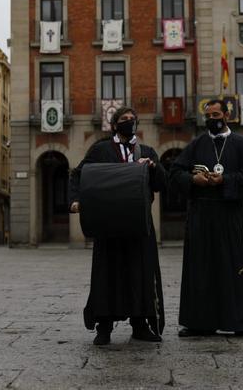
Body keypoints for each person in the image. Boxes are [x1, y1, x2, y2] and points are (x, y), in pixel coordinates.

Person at [69, 107, 167, 346]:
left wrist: (153, 167)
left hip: (139, 223)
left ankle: (140, 324)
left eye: (133, 119)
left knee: (140, 273)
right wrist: (75, 200)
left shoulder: (146, 151)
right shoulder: (101, 149)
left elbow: (161, 184)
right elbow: (79, 174)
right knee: (107, 274)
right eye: (124, 119)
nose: (130, 122)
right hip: (108, 224)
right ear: (114, 125)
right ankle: (103, 327)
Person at [169, 99, 243, 338]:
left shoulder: (241, 144)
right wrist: (193, 180)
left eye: (216, 114)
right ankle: (198, 322)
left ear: (227, 115)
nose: (212, 119)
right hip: (201, 215)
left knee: (235, 267)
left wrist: (226, 180)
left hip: (231, 215)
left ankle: (241, 322)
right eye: (208, 115)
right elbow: (175, 172)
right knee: (200, 268)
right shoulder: (197, 144)